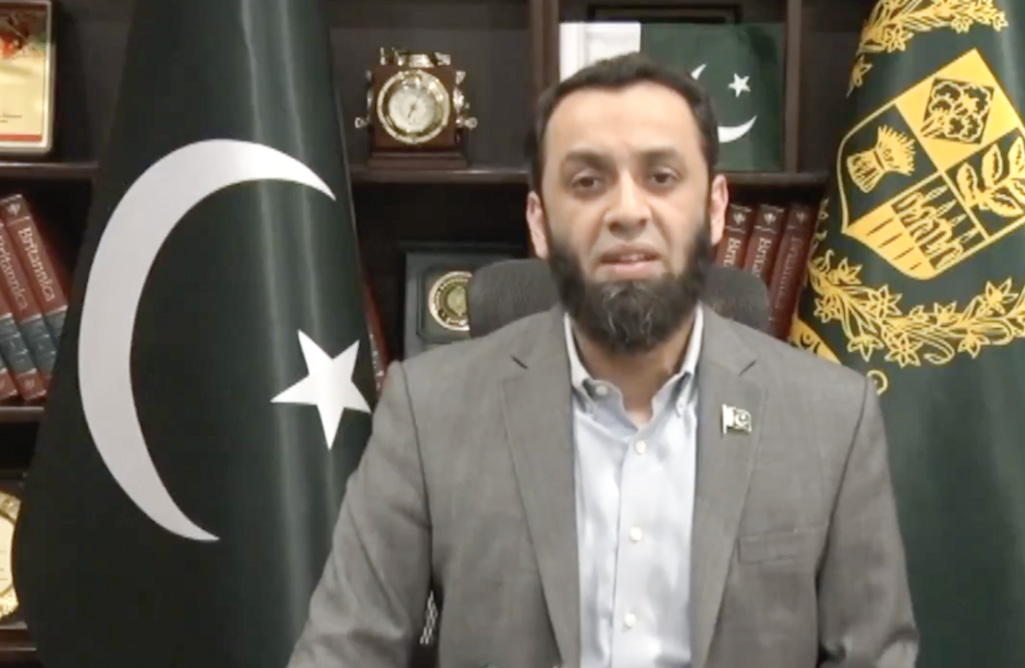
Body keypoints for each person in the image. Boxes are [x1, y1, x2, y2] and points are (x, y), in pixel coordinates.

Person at [286, 52, 918, 668]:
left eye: (661, 177)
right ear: (539, 222)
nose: (627, 211)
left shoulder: (832, 419)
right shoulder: (429, 413)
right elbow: (345, 649)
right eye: (587, 182)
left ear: (715, 209)